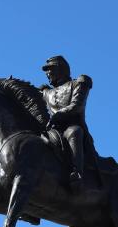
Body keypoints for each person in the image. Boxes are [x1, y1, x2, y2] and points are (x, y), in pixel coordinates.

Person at [40, 55, 94, 189]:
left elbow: (77, 106)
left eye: (49, 70)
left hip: (71, 126)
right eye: (46, 71)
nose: (47, 74)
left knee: (74, 132)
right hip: (52, 130)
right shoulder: (46, 92)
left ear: (60, 69)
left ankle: (77, 174)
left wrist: (57, 115)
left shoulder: (79, 83)